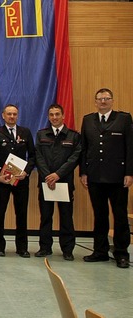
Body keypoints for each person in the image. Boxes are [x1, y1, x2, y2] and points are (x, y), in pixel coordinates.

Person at [80, 88, 133, 269]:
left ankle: (121, 253)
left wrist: (129, 173)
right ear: (95, 102)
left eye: (106, 99)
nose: (103, 102)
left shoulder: (124, 119)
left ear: (112, 100)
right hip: (95, 176)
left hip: (118, 178)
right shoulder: (88, 120)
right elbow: (84, 149)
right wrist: (83, 172)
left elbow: (130, 148)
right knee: (100, 215)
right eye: (100, 99)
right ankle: (100, 251)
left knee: (120, 216)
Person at [35, 104, 81, 261]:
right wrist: (48, 176)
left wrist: (58, 175)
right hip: (46, 182)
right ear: (48, 117)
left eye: (57, 114)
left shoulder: (73, 136)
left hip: (64, 182)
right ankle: (44, 247)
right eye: (51, 115)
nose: (54, 117)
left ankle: (67, 249)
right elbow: (38, 157)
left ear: (63, 116)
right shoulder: (41, 135)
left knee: (66, 217)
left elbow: (74, 158)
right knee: (46, 216)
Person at [0, 104, 36, 258]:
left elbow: (33, 156)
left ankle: (22, 248)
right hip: (3, 181)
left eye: (14, 114)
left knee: (21, 214)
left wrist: (27, 171)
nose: (11, 116)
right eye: (9, 114)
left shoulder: (26, 132)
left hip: (21, 180)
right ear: (3, 115)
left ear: (18, 116)